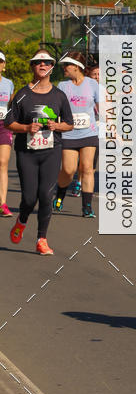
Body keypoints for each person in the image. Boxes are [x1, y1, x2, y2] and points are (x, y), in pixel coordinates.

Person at [5, 50, 73, 255]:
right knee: (28, 198)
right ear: (32, 67)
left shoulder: (59, 96)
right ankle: (22, 220)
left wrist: (57, 125)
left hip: (52, 150)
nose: (42, 65)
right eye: (37, 62)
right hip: (27, 152)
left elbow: (69, 124)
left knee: (45, 195)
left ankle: (41, 239)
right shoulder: (22, 94)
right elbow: (9, 123)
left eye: (47, 62)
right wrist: (26, 128)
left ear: (52, 67)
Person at [53, 52, 99, 218]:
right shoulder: (62, 86)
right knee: (68, 170)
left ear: (76, 66)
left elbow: (102, 108)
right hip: (68, 133)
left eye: (67, 65)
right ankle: (60, 195)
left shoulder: (92, 84)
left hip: (89, 133)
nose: (64, 68)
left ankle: (87, 207)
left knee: (87, 168)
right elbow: (55, 108)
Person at [70, 58, 100, 196]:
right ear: (89, 76)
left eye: (100, 75)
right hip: (78, 129)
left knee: (91, 163)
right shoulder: (84, 89)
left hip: (97, 131)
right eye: (95, 74)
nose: (97, 77)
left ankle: (84, 183)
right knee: (80, 161)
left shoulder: (105, 91)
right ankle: (79, 180)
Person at [0, 50, 15, 217]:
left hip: (3, 125)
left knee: (3, 162)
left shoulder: (8, 83)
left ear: (3, 65)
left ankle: (2, 203)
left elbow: (11, 104)